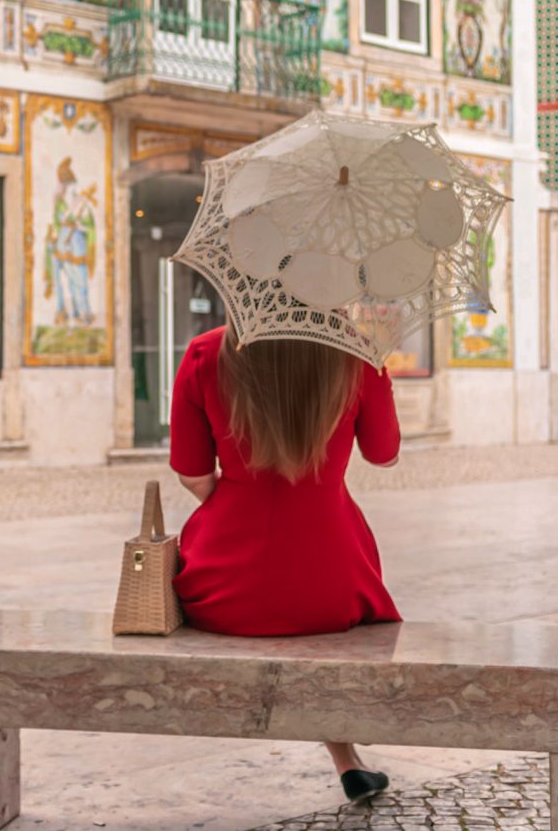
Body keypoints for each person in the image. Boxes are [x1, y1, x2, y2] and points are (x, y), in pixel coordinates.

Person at [170, 323, 401, 807]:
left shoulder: (204, 352)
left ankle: (349, 762)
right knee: (315, 623)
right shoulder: (356, 352)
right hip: (334, 579)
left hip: (222, 586)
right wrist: (377, 376)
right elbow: (384, 454)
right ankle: (348, 762)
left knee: (279, 605)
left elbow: (192, 472)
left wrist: (238, 509)